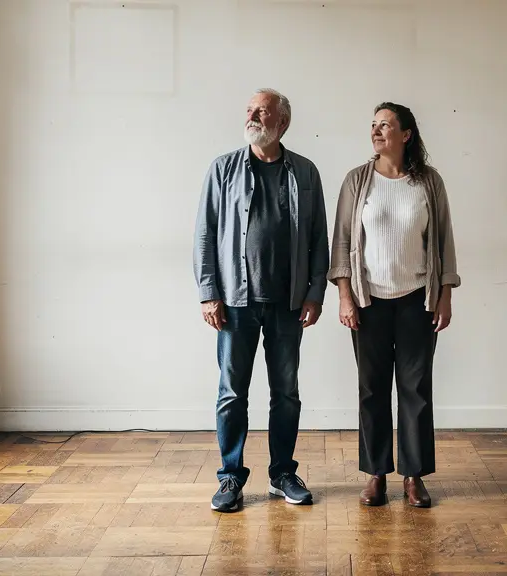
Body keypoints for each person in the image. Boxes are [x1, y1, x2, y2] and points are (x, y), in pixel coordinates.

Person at [193, 88, 330, 513]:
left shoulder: (305, 172)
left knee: (285, 392)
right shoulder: (223, 169)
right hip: (235, 302)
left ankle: (282, 474)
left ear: (282, 123)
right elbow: (204, 234)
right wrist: (208, 292)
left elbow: (319, 240)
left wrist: (315, 292)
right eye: (250, 109)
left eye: (263, 111)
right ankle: (230, 476)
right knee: (232, 393)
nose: (253, 116)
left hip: (288, 303)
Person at [327, 102, 461, 508]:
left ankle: (414, 476)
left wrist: (445, 293)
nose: (376, 130)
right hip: (369, 303)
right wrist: (344, 296)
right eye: (373, 125)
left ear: (406, 135)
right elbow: (342, 243)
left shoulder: (428, 182)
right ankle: (375, 474)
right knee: (371, 389)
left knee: (415, 389)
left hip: (416, 301)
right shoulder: (356, 181)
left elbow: (444, 240)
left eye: (385, 125)